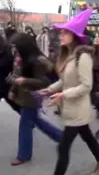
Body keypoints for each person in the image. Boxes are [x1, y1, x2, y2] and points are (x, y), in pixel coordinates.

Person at [40, 8, 99, 175]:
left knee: (63, 147)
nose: (60, 36)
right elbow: (65, 80)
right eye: (61, 33)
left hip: (78, 109)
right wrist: (49, 89)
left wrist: (63, 94)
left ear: (73, 36)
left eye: (64, 33)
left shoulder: (82, 57)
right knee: (88, 137)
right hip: (70, 108)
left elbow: (86, 86)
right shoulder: (68, 55)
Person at [8, 33, 62, 166]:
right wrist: (12, 90)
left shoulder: (36, 61)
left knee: (25, 125)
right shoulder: (20, 58)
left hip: (31, 97)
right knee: (37, 121)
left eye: (17, 47)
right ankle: (61, 136)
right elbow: (16, 75)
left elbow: (44, 82)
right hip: (23, 96)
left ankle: (23, 155)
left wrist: (25, 80)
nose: (14, 50)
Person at [0, 35, 20, 113]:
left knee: (18, 107)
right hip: (3, 85)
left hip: (7, 85)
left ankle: (31, 120)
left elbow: (15, 67)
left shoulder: (8, 52)